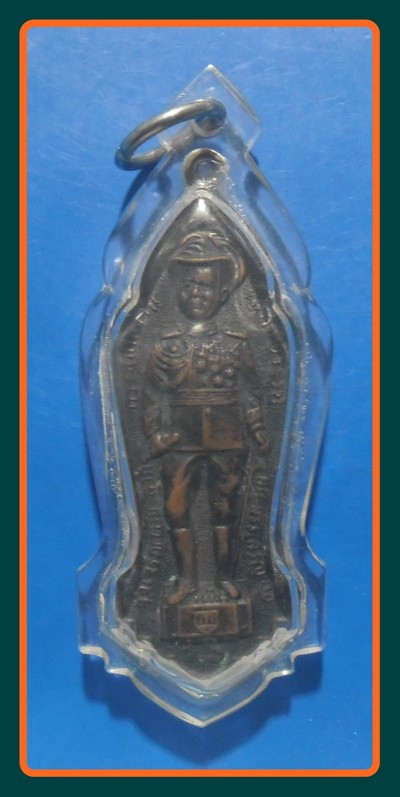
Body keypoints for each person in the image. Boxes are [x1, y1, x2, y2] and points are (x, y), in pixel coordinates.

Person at [143, 230, 268, 605]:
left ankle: (227, 578)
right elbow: (151, 397)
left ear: (222, 294)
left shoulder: (236, 343)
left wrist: (257, 428)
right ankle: (185, 581)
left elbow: (251, 392)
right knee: (175, 508)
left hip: (227, 439)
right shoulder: (165, 345)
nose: (196, 294)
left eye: (205, 287)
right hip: (180, 441)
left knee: (224, 508)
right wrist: (155, 434)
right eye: (189, 286)